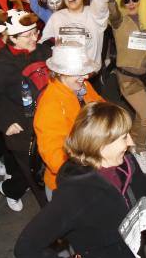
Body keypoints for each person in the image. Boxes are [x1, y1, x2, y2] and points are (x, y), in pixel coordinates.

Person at [15, 103, 146, 258]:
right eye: (123, 137)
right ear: (101, 146)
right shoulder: (75, 195)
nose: (130, 141)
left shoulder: (126, 163)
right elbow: (26, 247)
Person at [0, 9, 52, 211]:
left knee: (46, 163)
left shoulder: (41, 50)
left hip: (48, 120)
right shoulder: (2, 64)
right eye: (28, 35)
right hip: (22, 128)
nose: (35, 37)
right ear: (13, 38)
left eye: (36, 32)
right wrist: (5, 122)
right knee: (31, 172)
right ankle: (11, 190)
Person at [34, 42, 102, 201]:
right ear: (60, 73)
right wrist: (93, 163)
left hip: (91, 173)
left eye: (85, 72)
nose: (85, 77)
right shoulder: (50, 106)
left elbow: (101, 107)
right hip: (68, 186)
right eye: (79, 73)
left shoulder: (81, 85)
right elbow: (56, 159)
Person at [108, 0, 146, 174]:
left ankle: (133, 141)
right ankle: (140, 149)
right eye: (125, 0)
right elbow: (111, 10)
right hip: (127, 78)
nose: (130, 3)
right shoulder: (119, 21)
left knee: (141, 114)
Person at [40, 0, 112, 67]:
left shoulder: (93, 14)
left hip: (89, 76)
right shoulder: (57, 17)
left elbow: (100, 3)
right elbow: (45, 42)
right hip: (64, 75)